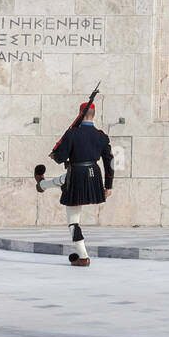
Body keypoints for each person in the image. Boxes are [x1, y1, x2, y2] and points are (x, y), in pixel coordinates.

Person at [40, 102, 113, 267]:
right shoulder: (101, 135)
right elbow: (110, 162)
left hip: (77, 176)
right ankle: (42, 185)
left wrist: (55, 154)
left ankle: (83, 256)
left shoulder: (73, 133)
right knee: (63, 180)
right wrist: (108, 185)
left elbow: (60, 158)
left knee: (73, 221)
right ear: (94, 115)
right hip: (94, 175)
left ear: (80, 113)